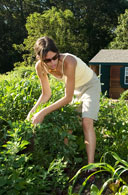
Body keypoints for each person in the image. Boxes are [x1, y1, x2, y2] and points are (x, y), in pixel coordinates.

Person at [27, 36, 101, 168]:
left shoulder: (69, 61)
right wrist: (33, 112)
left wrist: (42, 113)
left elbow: (67, 98)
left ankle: (91, 168)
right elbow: (46, 94)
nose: (53, 62)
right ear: (40, 58)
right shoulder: (40, 67)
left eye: (55, 57)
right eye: (47, 60)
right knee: (67, 128)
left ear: (58, 53)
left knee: (86, 121)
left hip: (90, 85)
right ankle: (65, 164)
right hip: (75, 89)